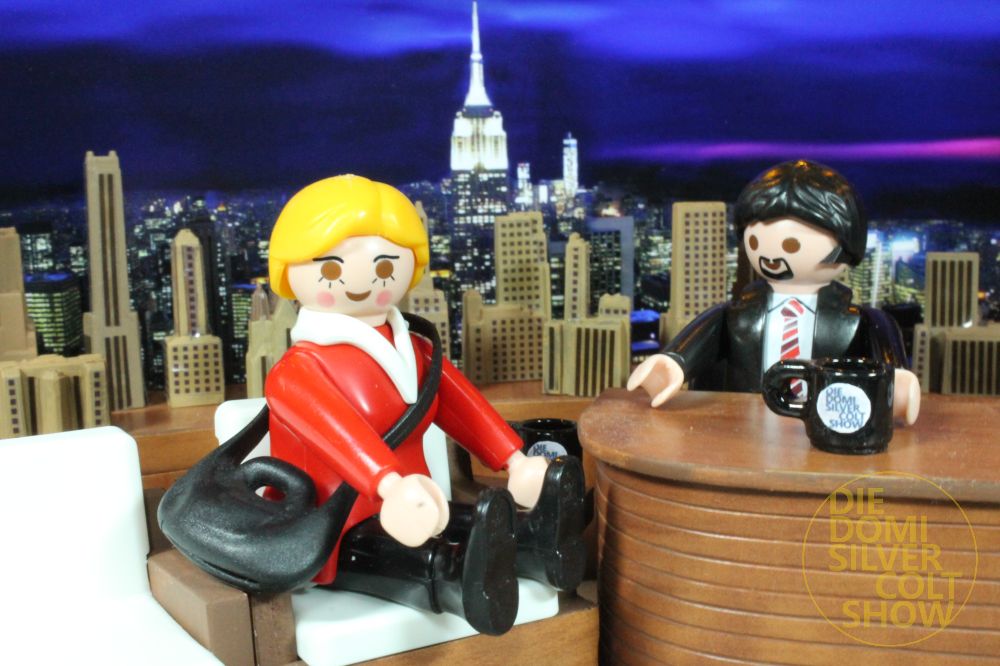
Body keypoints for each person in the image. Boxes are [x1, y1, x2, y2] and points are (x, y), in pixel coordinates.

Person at [265, 174, 583, 636]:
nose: (362, 283)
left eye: (384, 268)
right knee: (407, 555)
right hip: (334, 520)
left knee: (475, 523)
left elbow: (461, 405)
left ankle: (534, 545)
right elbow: (341, 436)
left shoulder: (413, 349)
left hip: (417, 500)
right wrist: (387, 484)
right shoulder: (296, 370)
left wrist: (513, 459)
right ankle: (452, 580)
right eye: (331, 270)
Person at [628, 160, 920, 424]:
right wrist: (673, 362)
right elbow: (704, 338)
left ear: (845, 243)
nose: (769, 256)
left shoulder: (858, 321)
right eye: (754, 242)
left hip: (823, 429)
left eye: (791, 245)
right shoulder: (737, 314)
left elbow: (886, 356)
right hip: (743, 426)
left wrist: (895, 384)